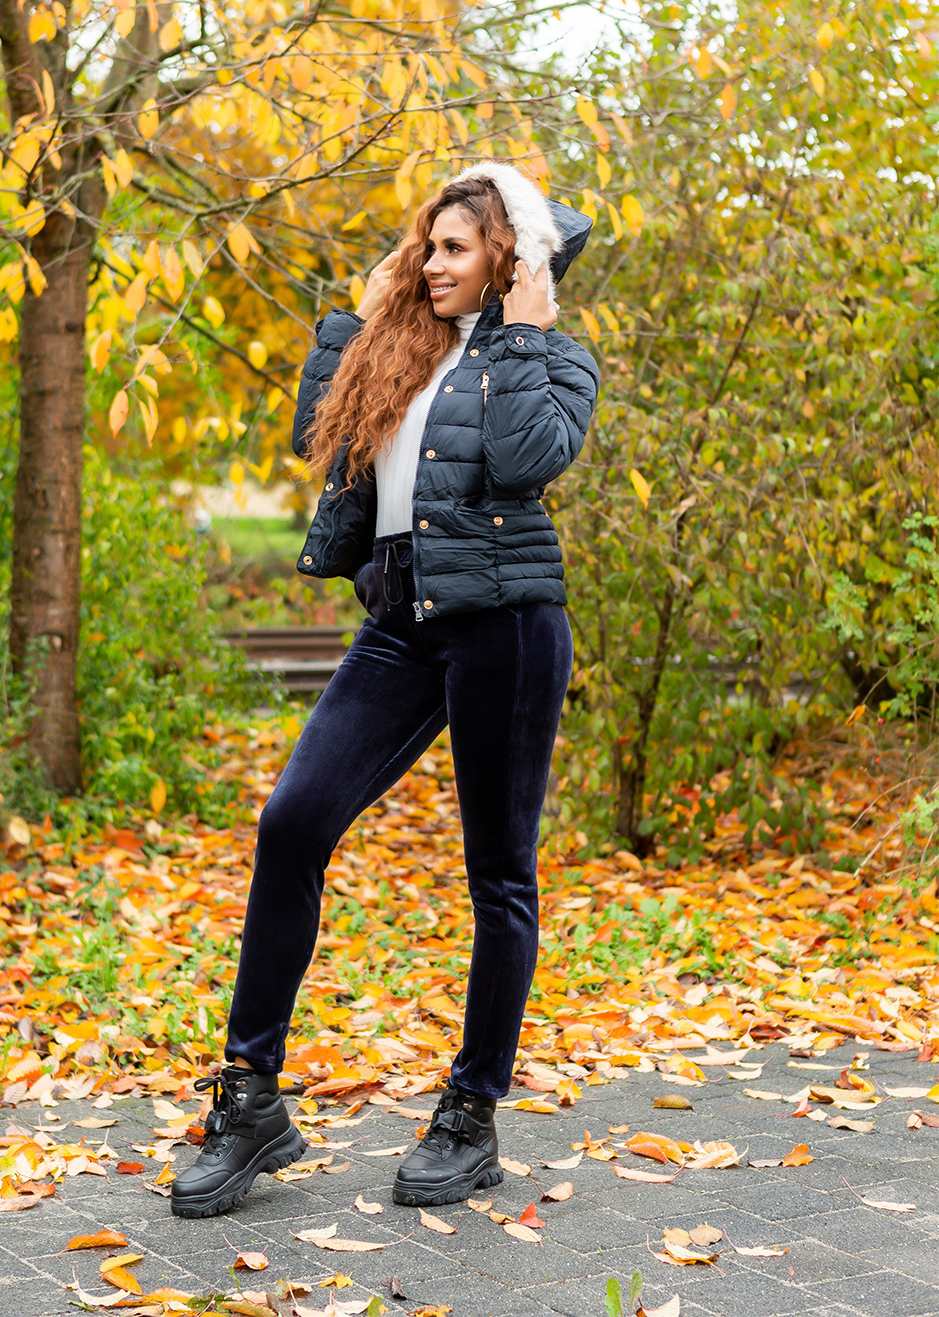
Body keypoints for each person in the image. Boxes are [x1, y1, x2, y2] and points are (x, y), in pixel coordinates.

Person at [171, 161, 600, 1219]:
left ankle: (470, 1113)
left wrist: (523, 331)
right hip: (399, 620)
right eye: (427, 246)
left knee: (498, 872)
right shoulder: (402, 349)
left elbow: (525, 462)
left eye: (455, 247)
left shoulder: (555, 358)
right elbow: (315, 441)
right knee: (291, 821)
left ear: (506, 256)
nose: (431, 262)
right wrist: (355, 324)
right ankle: (251, 1101)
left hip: (505, 623)